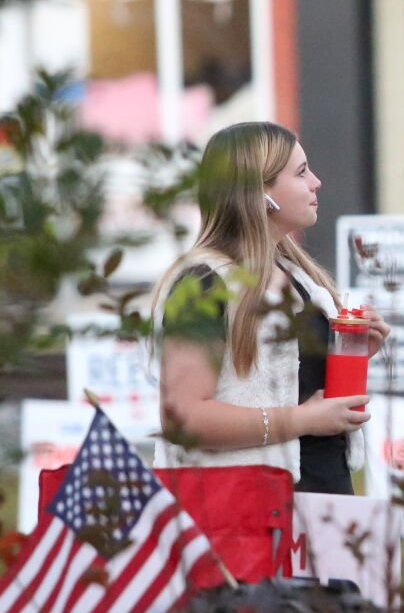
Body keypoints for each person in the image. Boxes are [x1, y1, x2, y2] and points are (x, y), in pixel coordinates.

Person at [151, 121, 386, 494]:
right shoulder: (203, 283)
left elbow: (302, 391)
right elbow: (184, 418)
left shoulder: (300, 277)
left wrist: (350, 351)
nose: (317, 183)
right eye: (302, 172)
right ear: (260, 193)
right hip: (245, 512)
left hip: (323, 499)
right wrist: (299, 420)